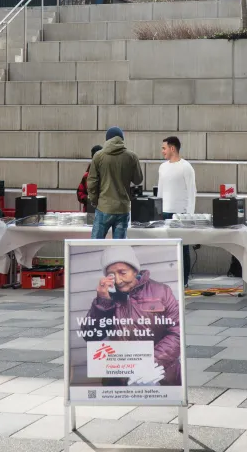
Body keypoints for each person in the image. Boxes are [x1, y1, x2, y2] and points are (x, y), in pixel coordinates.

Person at [84, 246, 181, 386]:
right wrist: (102, 301)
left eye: (122, 272)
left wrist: (149, 363)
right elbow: (90, 335)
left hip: (159, 373)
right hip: (119, 376)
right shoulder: (107, 296)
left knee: (160, 406)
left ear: (135, 270)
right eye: (111, 275)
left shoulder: (162, 292)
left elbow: (176, 333)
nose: (118, 281)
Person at [87, 127, 143, 240]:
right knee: (119, 249)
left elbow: (92, 183)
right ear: (121, 139)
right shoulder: (131, 157)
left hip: (104, 207)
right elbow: (138, 180)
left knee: (94, 246)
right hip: (123, 208)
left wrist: (94, 201)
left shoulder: (98, 156)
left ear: (107, 139)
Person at [157, 136, 196, 288]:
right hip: (165, 212)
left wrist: (189, 215)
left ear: (172, 148)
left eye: (164, 148)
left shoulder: (186, 167)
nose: (162, 151)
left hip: (180, 214)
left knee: (182, 247)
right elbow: (160, 191)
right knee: (166, 248)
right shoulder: (162, 167)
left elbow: (192, 191)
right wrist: (158, 211)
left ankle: (184, 280)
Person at [77, 145, 103, 212]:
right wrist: (87, 199)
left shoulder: (107, 174)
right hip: (90, 211)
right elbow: (80, 193)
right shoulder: (87, 176)